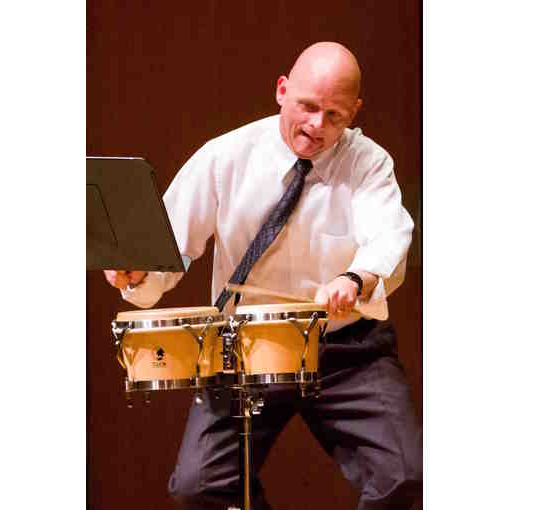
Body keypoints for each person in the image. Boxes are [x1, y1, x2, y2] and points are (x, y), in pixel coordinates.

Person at [104, 42, 422, 509]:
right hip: (246, 346)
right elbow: (167, 246)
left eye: (334, 116)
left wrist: (356, 279)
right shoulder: (226, 156)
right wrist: (136, 272)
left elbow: (388, 235)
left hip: (344, 347)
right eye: (307, 106)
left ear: (355, 112)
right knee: (198, 486)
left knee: (405, 475)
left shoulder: (368, 162)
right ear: (281, 90)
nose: (316, 125)